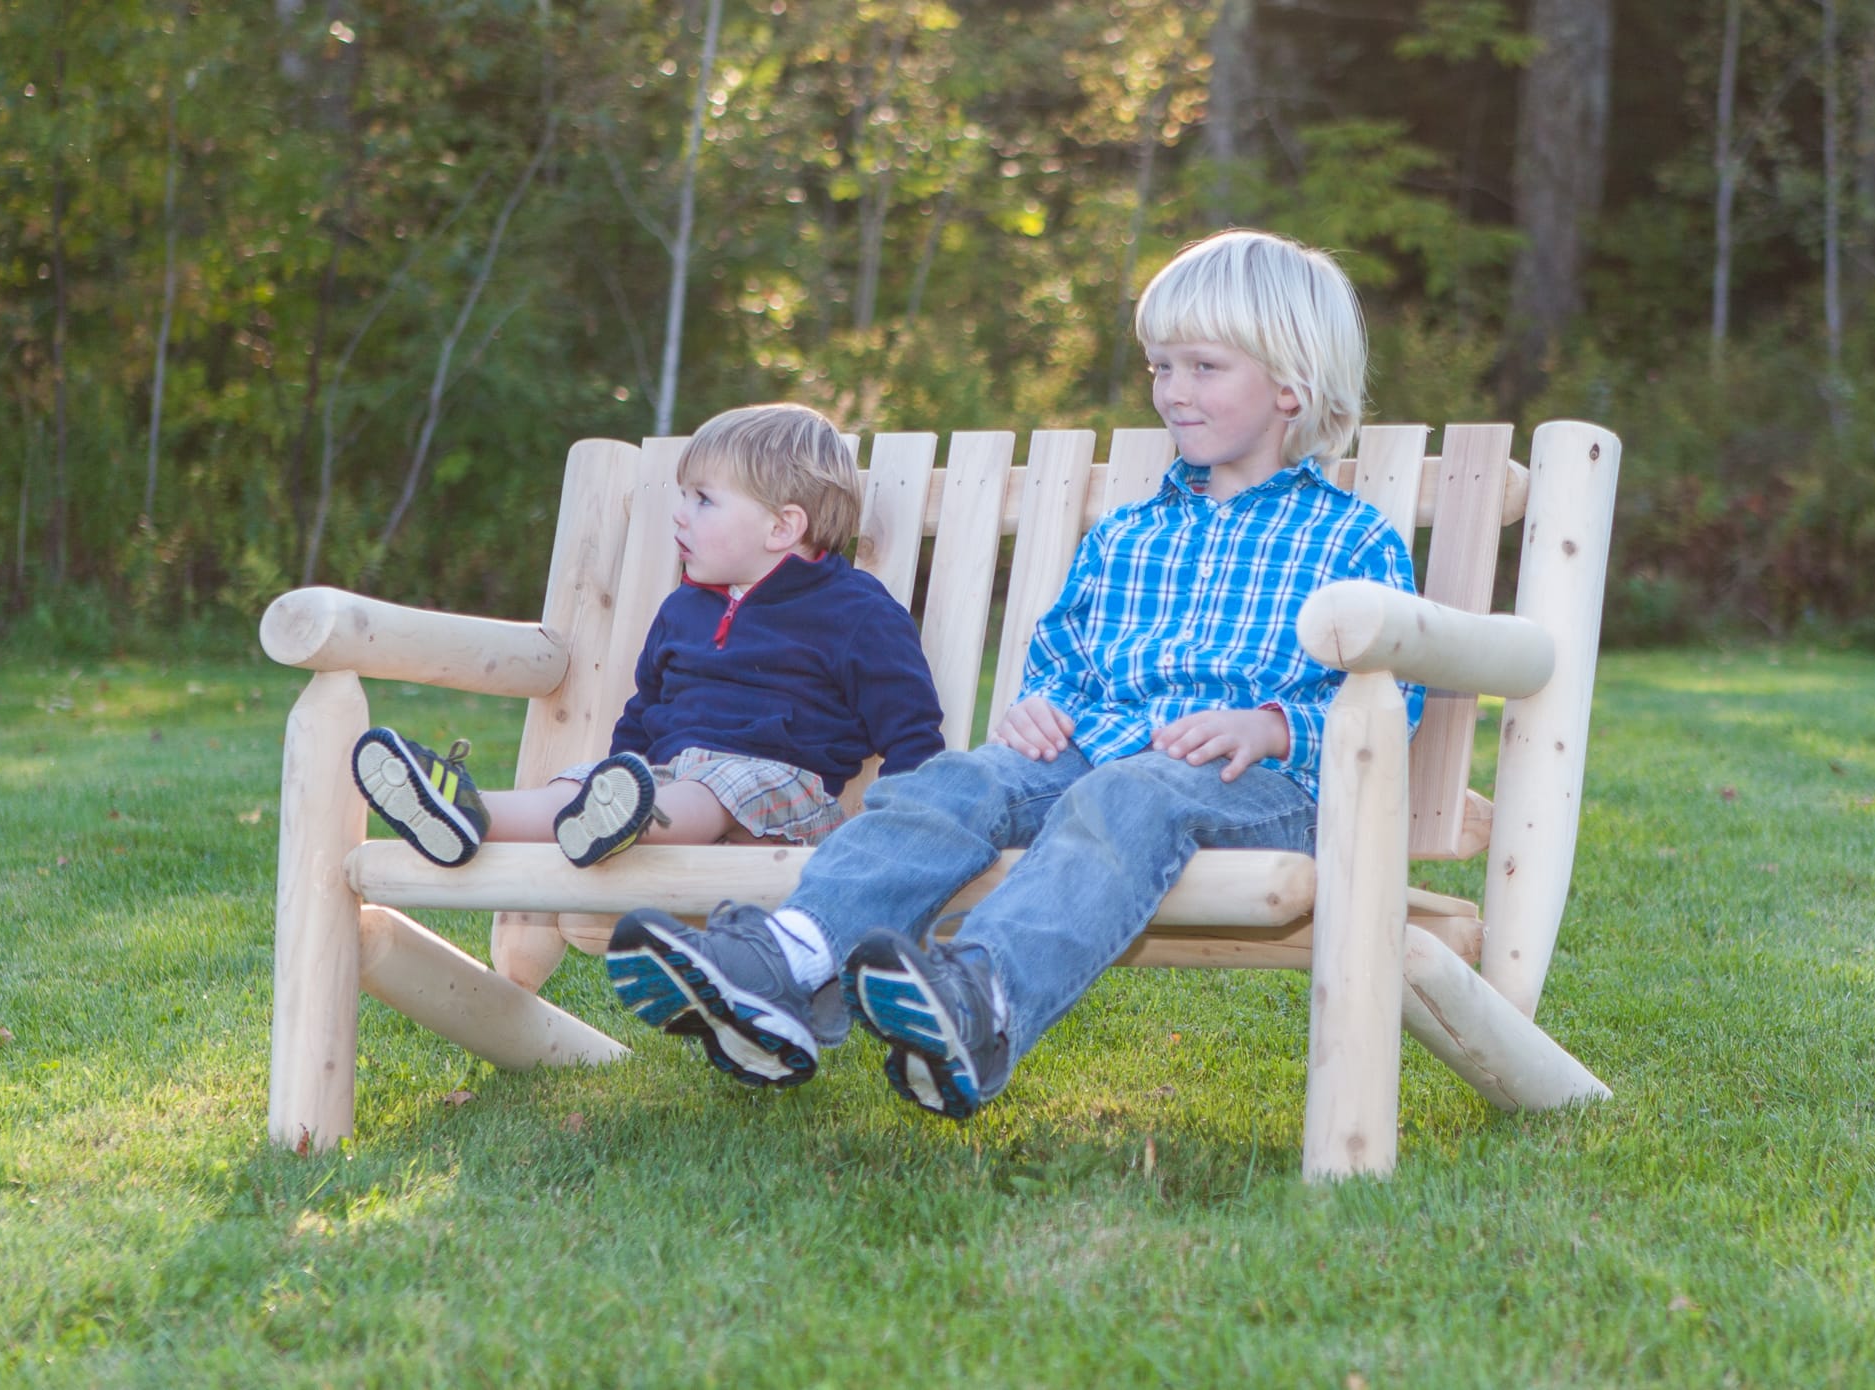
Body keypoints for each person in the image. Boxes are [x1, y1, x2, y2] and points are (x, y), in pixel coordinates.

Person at [605, 229, 1427, 1111]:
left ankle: (981, 1001)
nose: (1172, 391)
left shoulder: (1348, 538)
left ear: (1291, 387)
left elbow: (1392, 690)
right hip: (1093, 760)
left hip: (1258, 789)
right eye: (1160, 367)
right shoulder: (1128, 535)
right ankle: (791, 957)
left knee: (1137, 792)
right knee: (957, 781)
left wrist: (1268, 726)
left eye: (1202, 367)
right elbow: (1066, 656)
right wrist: (1044, 706)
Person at [351, 402, 946, 878]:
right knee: (578, 783)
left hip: (780, 798)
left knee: (709, 788)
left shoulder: (857, 613)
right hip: (662, 785)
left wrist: (893, 834)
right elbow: (645, 709)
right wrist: (617, 770)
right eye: (683, 496)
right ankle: (463, 808)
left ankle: (619, 817)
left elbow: (912, 731)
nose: (680, 514)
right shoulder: (683, 608)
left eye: (703, 499)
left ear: (782, 526)